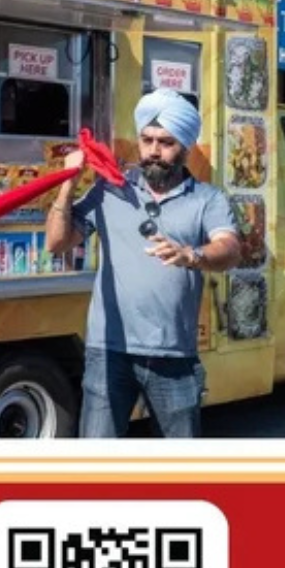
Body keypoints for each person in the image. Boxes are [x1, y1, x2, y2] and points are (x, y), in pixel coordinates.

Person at [45, 90, 239, 440]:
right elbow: (57, 243)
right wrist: (67, 186)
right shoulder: (110, 190)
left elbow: (229, 249)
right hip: (109, 352)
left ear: (186, 145)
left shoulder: (207, 199)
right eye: (147, 140)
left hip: (173, 354)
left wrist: (192, 255)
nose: (153, 150)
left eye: (165, 142)